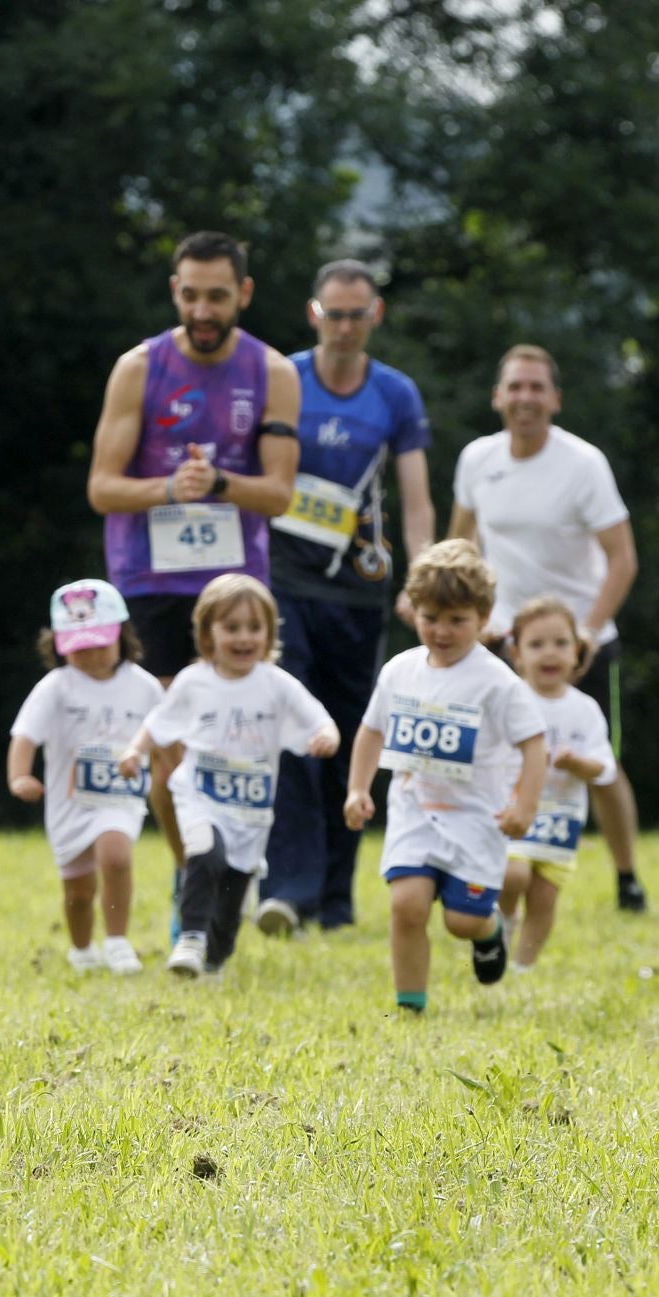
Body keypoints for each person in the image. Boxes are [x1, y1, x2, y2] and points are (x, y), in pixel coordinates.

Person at [86, 231, 303, 894]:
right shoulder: (139, 368)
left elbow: (280, 492)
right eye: (190, 295)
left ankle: (228, 875)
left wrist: (219, 486)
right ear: (174, 292)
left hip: (235, 590)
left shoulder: (273, 373)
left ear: (243, 294)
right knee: (167, 748)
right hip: (149, 580)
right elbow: (102, 487)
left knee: (235, 742)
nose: (202, 310)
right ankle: (192, 879)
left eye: (216, 296)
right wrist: (167, 488)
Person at [256, 260, 434, 937]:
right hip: (282, 583)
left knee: (353, 739)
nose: (347, 326)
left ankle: (333, 901)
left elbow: (416, 504)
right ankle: (289, 891)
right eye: (335, 314)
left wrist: (423, 582)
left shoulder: (395, 394)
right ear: (313, 313)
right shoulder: (283, 377)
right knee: (293, 729)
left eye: (358, 315)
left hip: (359, 593)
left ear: (376, 316)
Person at [448, 345, 645, 913]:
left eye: (537, 388)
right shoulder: (476, 459)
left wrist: (585, 633)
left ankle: (628, 877)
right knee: (492, 756)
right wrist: (469, 622)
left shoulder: (584, 464)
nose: (525, 398)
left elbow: (623, 559)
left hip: (580, 642)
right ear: (497, 397)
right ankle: (484, 868)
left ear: (555, 399)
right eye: (515, 387)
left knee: (600, 762)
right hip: (506, 643)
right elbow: (461, 545)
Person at [344, 540, 546, 1014]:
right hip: (415, 811)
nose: (442, 630)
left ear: (484, 616)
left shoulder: (497, 682)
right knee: (407, 906)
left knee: (461, 920)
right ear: (413, 610)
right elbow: (372, 730)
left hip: (477, 820)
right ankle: (411, 1006)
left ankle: (489, 929)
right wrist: (357, 788)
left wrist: (525, 806)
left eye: (457, 619)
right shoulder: (400, 672)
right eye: (431, 616)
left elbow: (534, 744)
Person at [117, 575, 339, 979]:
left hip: (250, 813)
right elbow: (159, 721)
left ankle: (214, 959)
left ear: (270, 633)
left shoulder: (277, 685)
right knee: (204, 852)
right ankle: (191, 937)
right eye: (231, 627)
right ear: (207, 633)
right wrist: (135, 750)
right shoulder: (194, 681)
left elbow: (319, 719)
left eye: (255, 628)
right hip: (199, 795)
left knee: (233, 894)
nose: (244, 638)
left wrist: (325, 736)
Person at [8, 579, 164, 975]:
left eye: (100, 642)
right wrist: (19, 777)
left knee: (115, 854)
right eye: (79, 646)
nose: (91, 654)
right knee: (78, 891)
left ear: (122, 636)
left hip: (120, 800)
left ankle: (117, 942)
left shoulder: (143, 687)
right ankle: (82, 950)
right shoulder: (57, 688)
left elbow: (166, 733)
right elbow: (25, 735)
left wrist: (174, 769)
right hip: (69, 806)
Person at [499, 597, 616, 971]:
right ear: (516, 653)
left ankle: (523, 967)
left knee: (545, 897)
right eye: (536, 644)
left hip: (561, 817)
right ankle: (502, 922)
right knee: (512, 874)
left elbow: (605, 768)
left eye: (561, 643)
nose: (549, 653)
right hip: (514, 807)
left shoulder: (584, 709)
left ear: (577, 652)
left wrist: (577, 762)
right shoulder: (508, 699)